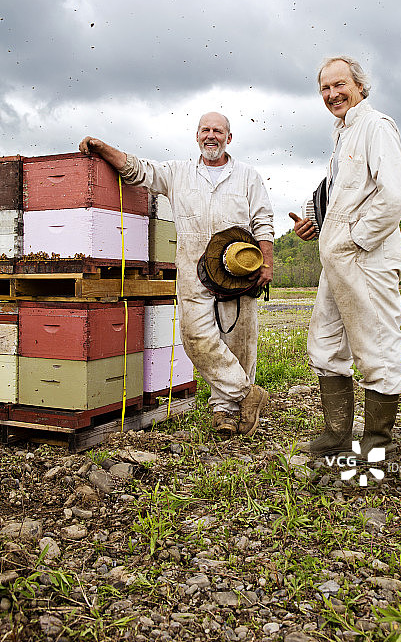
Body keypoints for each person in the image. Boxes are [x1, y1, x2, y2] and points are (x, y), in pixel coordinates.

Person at [79, 112, 274, 436]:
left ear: (229, 137)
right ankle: (247, 395)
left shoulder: (248, 176)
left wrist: (265, 261)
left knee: (239, 342)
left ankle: (227, 412)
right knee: (195, 338)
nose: (211, 135)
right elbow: (137, 169)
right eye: (205, 130)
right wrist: (103, 147)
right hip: (194, 271)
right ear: (197, 136)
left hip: (239, 271)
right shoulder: (178, 173)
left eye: (218, 131)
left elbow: (263, 219)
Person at [290, 56, 401, 459]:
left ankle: (377, 443)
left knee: (377, 347)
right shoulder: (341, 135)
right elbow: (339, 194)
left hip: (368, 259)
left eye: (339, 85)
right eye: (324, 88)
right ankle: (337, 434)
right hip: (337, 259)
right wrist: (313, 223)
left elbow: (394, 195)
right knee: (325, 344)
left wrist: (356, 239)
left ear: (359, 85)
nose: (332, 94)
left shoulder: (376, 127)